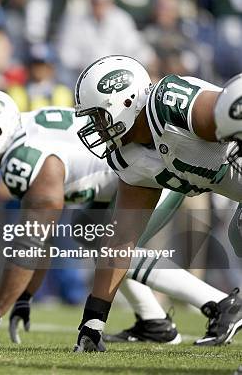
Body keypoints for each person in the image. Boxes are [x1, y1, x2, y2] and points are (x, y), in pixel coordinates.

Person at [0, 89, 240, 346]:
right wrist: (26, 295)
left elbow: (30, 243)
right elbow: (43, 234)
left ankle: (219, 302)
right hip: (130, 177)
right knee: (87, 233)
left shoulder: (22, 158)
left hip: (147, 174)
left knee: (112, 248)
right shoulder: (28, 126)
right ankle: (154, 322)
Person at [73, 55, 242, 351]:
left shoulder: (169, 105)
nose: (96, 127)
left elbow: (233, 108)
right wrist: (92, 324)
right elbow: (120, 242)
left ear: (124, 102)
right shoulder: (130, 156)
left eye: (98, 116)